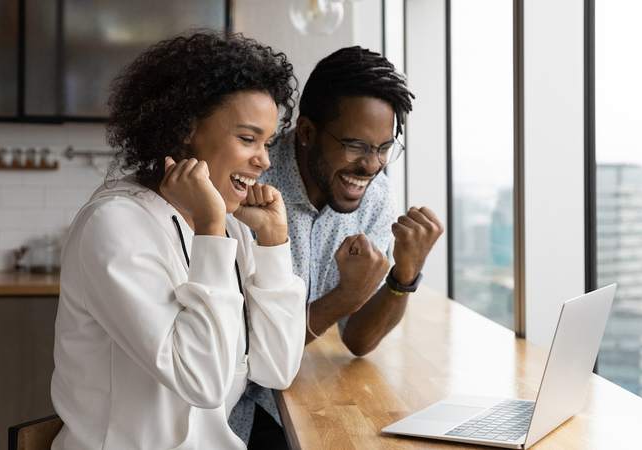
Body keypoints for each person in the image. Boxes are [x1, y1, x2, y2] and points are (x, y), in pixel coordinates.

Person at [50, 31, 305, 450]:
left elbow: (276, 369)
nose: (264, 160)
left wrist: (274, 242)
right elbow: (202, 382)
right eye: (247, 139)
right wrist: (209, 227)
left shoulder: (234, 226)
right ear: (186, 127)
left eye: (267, 142)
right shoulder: (115, 225)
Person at [230, 46, 443, 447]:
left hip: (296, 398)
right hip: (234, 412)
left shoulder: (375, 196)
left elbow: (359, 340)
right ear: (307, 133)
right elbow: (253, 355)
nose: (372, 165)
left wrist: (404, 275)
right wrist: (346, 295)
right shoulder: (249, 185)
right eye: (356, 146)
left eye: (383, 148)